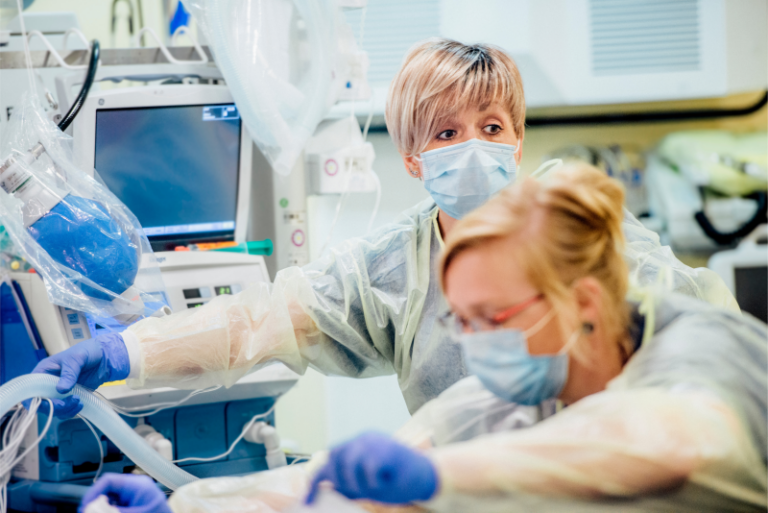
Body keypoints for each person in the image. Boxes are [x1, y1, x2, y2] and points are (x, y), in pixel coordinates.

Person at [33, 38, 735, 421]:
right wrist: (127, 350)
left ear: (517, 140)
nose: (473, 146)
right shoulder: (393, 268)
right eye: (447, 131)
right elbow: (263, 320)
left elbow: (692, 327)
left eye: (491, 127)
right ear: (410, 156)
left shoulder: (575, 227)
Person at [299, 164, 767, 512]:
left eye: (490, 317)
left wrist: (434, 476)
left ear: (582, 302)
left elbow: (665, 443)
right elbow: (426, 449)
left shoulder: (700, 347)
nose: (473, 343)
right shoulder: (535, 387)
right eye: (461, 321)